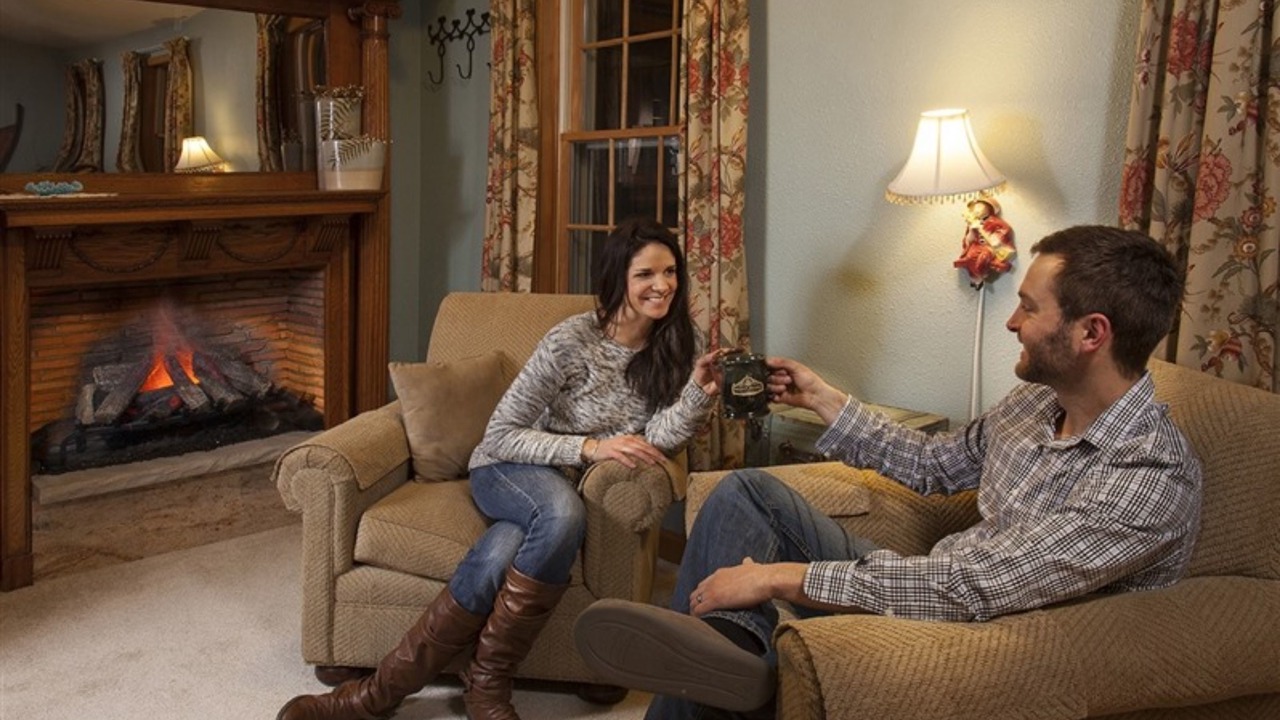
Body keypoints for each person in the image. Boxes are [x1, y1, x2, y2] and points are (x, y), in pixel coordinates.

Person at [573, 225, 1203, 719]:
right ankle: (737, 656)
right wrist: (824, 399)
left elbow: (970, 589)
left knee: (730, 633)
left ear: (1091, 333)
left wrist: (779, 578)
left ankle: (727, 674)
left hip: (990, 636)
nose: (1012, 322)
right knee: (747, 493)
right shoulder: (1039, 402)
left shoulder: (1147, 475)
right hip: (937, 578)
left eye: (1029, 309)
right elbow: (934, 463)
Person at [278, 217, 726, 720]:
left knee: (500, 553)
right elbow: (502, 433)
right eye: (646, 273)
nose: (662, 285)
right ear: (618, 276)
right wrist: (589, 448)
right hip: (507, 466)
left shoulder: (678, 341)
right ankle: (488, 685)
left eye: (670, 272)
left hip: (563, 482)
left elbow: (658, 438)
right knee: (561, 515)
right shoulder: (570, 340)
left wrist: (698, 393)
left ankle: (378, 695)